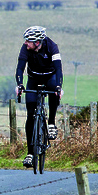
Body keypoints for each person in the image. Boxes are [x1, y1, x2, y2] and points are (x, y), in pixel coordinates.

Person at [15, 26, 63, 168]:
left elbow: (59, 69)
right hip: (33, 79)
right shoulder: (25, 49)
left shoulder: (52, 47)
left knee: (54, 90)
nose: (25, 43)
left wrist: (59, 87)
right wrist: (19, 84)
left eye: (28, 41)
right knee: (30, 115)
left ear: (37, 42)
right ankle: (30, 154)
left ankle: (51, 123)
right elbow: (20, 68)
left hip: (50, 76)